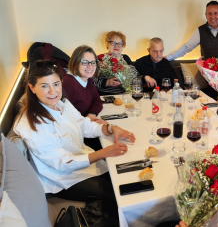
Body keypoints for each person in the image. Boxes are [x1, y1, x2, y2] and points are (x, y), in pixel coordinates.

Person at [14, 60, 135, 215]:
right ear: (32, 88)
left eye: (56, 84)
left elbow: (84, 125)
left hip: (82, 160)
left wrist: (110, 128)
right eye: (44, 86)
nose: (53, 91)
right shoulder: (32, 124)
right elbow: (63, 163)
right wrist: (104, 153)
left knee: (123, 176)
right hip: (62, 178)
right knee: (119, 194)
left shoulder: (63, 104)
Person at [166, 1, 218, 65]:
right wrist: (168, 58)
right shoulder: (200, 30)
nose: (213, 16)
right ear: (206, 15)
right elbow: (186, 47)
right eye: (210, 13)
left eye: (215, 13)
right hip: (207, 74)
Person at [63, 45, 107, 151]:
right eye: (85, 62)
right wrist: (87, 121)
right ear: (76, 62)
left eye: (93, 62)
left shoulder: (87, 79)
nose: (90, 66)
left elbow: (97, 100)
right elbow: (66, 120)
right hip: (78, 139)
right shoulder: (69, 84)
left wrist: (91, 116)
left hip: (87, 128)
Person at [94, 31, 138, 95]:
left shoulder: (126, 58)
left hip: (127, 95)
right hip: (107, 96)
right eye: (113, 43)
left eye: (119, 43)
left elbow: (135, 76)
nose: (116, 46)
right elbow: (91, 81)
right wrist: (106, 83)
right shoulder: (100, 59)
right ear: (107, 43)